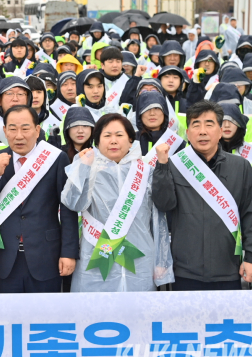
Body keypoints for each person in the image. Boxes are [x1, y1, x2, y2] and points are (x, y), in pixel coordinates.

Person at [152, 101, 252, 290]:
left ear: (220, 131)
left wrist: (251, 258)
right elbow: (164, 204)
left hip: (229, 269)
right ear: (187, 133)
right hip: (185, 271)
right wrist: (162, 166)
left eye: (209, 124)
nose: (202, 131)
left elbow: (250, 215)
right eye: (196, 125)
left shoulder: (240, 166)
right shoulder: (174, 165)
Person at [61, 113, 174, 292]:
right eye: (107, 136)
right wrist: (82, 167)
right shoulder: (88, 167)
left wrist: (161, 261)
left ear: (131, 140)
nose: (113, 141)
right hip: (96, 257)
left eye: (119, 135)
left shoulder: (145, 171)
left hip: (140, 258)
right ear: (97, 141)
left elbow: (158, 218)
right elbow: (73, 203)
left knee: (139, 315)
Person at [0, 105, 77, 293]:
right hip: (4, 258)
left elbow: (67, 208)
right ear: (5, 131)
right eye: (12, 129)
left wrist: (68, 253)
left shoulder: (56, 159)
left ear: (37, 130)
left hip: (46, 257)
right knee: (8, 318)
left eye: (25, 128)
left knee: (45, 318)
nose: (19, 135)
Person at [135, 91, 186, 158]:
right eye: (146, 108)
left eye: (156, 108)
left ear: (164, 112)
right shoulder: (132, 140)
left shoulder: (176, 142)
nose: (152, 113)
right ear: (139, 113)